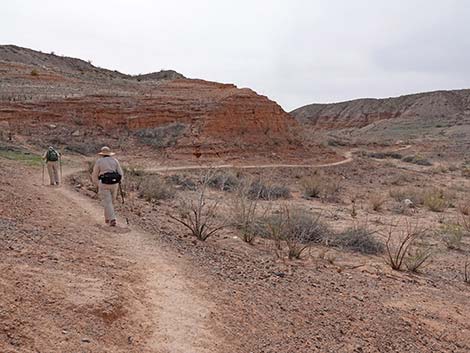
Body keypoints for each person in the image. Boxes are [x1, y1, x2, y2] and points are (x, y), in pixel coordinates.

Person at [92, 146, 124, 227]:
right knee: (111, 202)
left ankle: (112, 219)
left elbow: (95, 174)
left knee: (107, 202)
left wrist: (97, 184)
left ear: (102, 154)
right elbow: (120, 173)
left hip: (104, 183)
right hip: (114, 184)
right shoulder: (115, 160)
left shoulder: (99, 161)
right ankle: (107, 218)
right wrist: (119, 181)